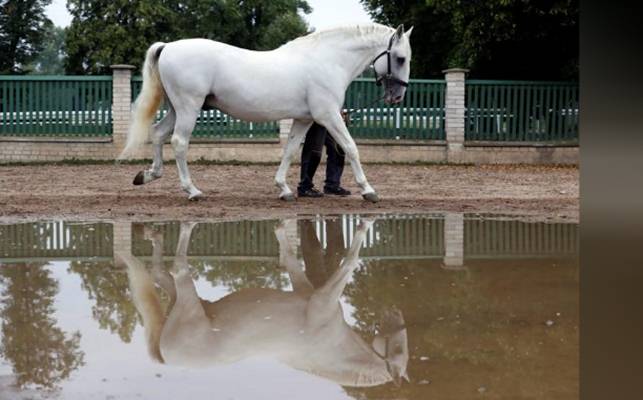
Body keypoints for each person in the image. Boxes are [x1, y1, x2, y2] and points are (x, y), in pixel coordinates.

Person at [297, 112, 352, 198]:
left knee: (338, 148)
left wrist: (338, 110)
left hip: (331, 118)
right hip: (317, 117)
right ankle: (305, 187)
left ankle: (332, 185)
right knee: (313, 151)